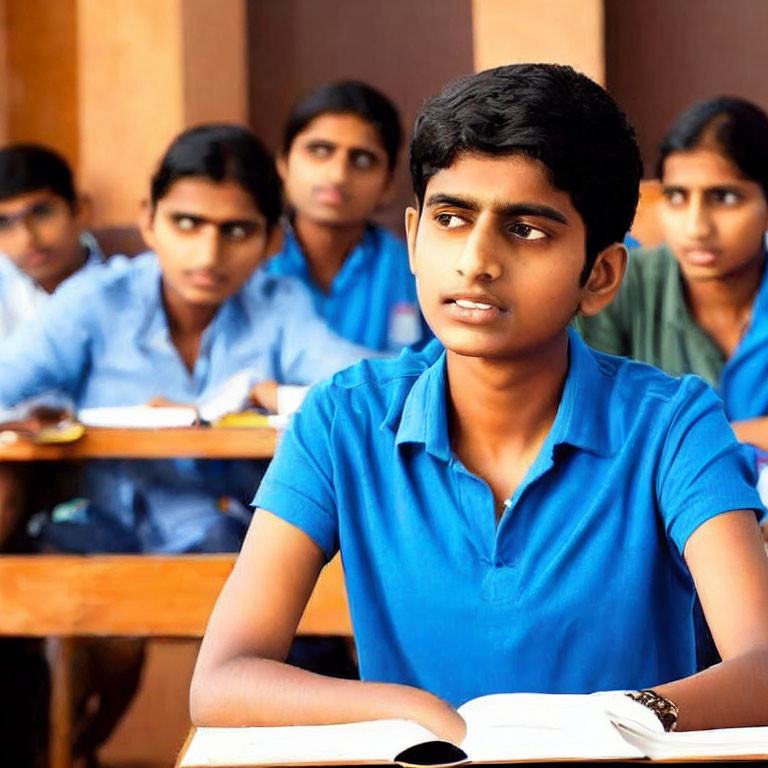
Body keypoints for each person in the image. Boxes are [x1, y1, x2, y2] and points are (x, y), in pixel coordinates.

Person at [189, 65, 768, 740]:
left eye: (526, 229)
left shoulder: (672, 424)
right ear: (412, 238)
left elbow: (760, 665)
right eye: (452, 219)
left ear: (601, 275)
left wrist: (620, 718)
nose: (476, 261)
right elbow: (223, 678)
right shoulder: (341, 420)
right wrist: (417, 714)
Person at [0, 123, 372, 555]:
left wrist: (273, 396)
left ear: (273, 240)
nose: (208, 255)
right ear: (149, 221)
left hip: (234, 548)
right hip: (103, 538)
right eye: (186, 223)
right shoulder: (96, 299)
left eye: (236, 231)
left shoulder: (280, 306)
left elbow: (368, 390)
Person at [575, 97, 768, 455]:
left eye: (724, 198)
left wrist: (688, 432)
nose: (696, 227)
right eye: (677, 196)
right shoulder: (619, 285)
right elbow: (596, 423)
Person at [265, 80, 429, 352]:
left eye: (362, 159)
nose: (338, 175)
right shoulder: (251, 260)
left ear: (388, 183)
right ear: (283, 163)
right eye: (319, 151)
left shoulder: (412, 270)